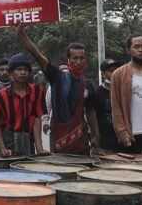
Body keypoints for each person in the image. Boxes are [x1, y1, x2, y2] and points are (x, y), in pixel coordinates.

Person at [18, 25, 100, 154]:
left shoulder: (88, 84)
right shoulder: (57, 77)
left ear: (85, 60)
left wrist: (95, 136)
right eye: (75, 58)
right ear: (68, 60)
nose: (78, 61)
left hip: (81, 140)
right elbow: (37, 55)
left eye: (81, 58)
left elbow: (90, 112)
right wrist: (22, 35)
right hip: (59, 139)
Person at [0, 53, 46, 157]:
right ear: (11, 73)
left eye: (25, 70)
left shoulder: (37, 91)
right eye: (19, 69)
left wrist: (39, 147)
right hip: (9, 140)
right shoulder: (3, 95)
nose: (23, 72)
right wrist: (2, 148)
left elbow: (37, 119)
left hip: (28, 140)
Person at [95, 59, 121, 152]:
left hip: (123, 138)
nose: (114, 73)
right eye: (111, 71)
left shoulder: (124, 91)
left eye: (116, 70)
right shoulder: (98, 92)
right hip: (106, 139)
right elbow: (93, 116)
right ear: (103, 74)